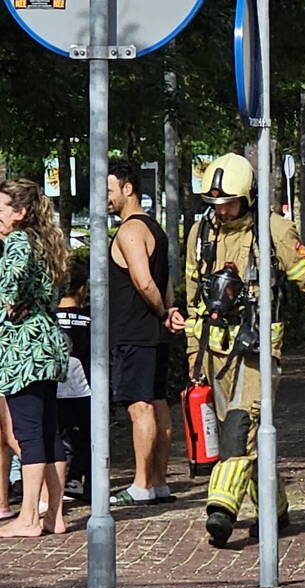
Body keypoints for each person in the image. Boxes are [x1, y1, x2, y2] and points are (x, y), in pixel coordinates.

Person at [184, 153, 305, 548]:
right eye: (215, 204)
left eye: (228, 202)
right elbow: (195, 300)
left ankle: (221, 511)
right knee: (251, 441)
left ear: (248, 197)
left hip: (258, 351)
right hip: (213, 354)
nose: (222, 210)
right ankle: (274, 508)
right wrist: (192, 356)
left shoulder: (274, 232)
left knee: (240, 431)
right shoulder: (200, 235)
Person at [107, 159, 185, 506]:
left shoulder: (130, 231)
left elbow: (143, 281)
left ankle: (140, 484)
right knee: (158, 404)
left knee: (141, 408)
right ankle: (158, 481)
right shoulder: (156, 228)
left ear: (128, 188)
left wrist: (162, 310)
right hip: (153, 331)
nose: (103, 199)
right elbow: (164, 282)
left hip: (134, 331)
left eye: (108, 191)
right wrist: (169, 312)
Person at [0, 178, 70, 537]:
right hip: (47, 342)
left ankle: (27, 518)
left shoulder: (16, 242)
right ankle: (54, 515)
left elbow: (6, 291)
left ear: (21, 212)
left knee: (28, 433)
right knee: (47, 431)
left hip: (23, 349)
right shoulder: (47, 242)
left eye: (0, 210)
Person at [56, 258, 91, 501]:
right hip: (85, 389)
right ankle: (78, 480)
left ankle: (57, 482)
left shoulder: (48, 318)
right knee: (86, 437)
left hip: (54, 387)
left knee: (56, 435)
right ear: (82, 290)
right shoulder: (91, 319)